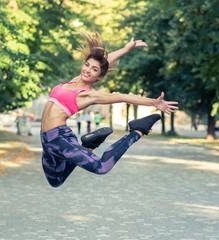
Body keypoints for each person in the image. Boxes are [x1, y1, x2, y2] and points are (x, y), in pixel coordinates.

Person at [40, 30, 178, 187]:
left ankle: (138, 130)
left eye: (94, 70)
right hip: (46, 139)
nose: (87, 70)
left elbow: (123, 97)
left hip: (59, 138)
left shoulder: (87, 95)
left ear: (99, 77)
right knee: (56, 181)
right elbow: (105, 62)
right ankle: (88, 146)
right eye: (87, 65)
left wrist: (154, 102)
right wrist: (125, 49)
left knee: (101, 167)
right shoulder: (73, 82)